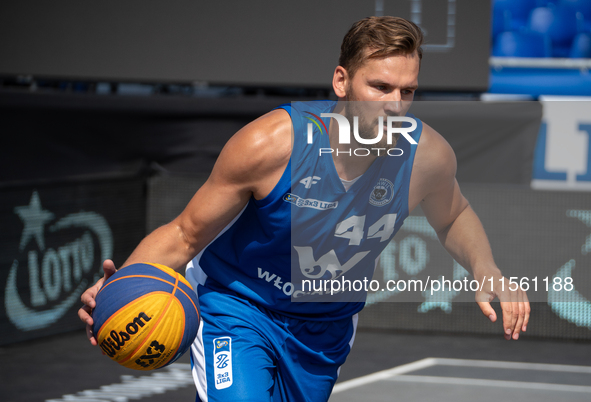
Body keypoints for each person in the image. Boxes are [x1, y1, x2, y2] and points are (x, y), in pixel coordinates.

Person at [79, 16, 530, 402]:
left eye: (407, 91)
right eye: (380, 87)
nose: (395, 105)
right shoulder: (271, 144)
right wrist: (121, 291)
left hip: (323, 328)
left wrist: (486, 269)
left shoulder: (426, 156)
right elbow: (184, 235)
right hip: (238, 305)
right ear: (341, 81)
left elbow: (453, 214)